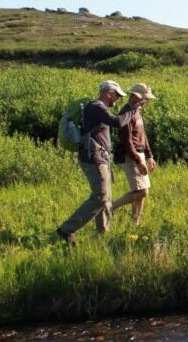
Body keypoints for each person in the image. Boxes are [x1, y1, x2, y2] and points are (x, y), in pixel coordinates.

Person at [57, 80, 141, 243]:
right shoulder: (97, 107)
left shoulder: (96, 108)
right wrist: (133, 109)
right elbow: (117, 122)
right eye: (117, 95)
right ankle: (66, 230)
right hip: (93, 157)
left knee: (106, 198)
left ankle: (103, 234)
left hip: (99, 157)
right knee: (101, 197)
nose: (117, 99)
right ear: (109, 92)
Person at [111, 83, 157, 225]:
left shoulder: (137, 111)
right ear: (136, 97)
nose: (147, 101)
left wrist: (149, 155)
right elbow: (127, 141)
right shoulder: (126, 113)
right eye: (145, 98)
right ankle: (110, 207)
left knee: (141, 192)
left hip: (140, 154)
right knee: (142, 191)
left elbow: (143, 135)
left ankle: (135, 224)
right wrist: (138, 160)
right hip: (131, 156)